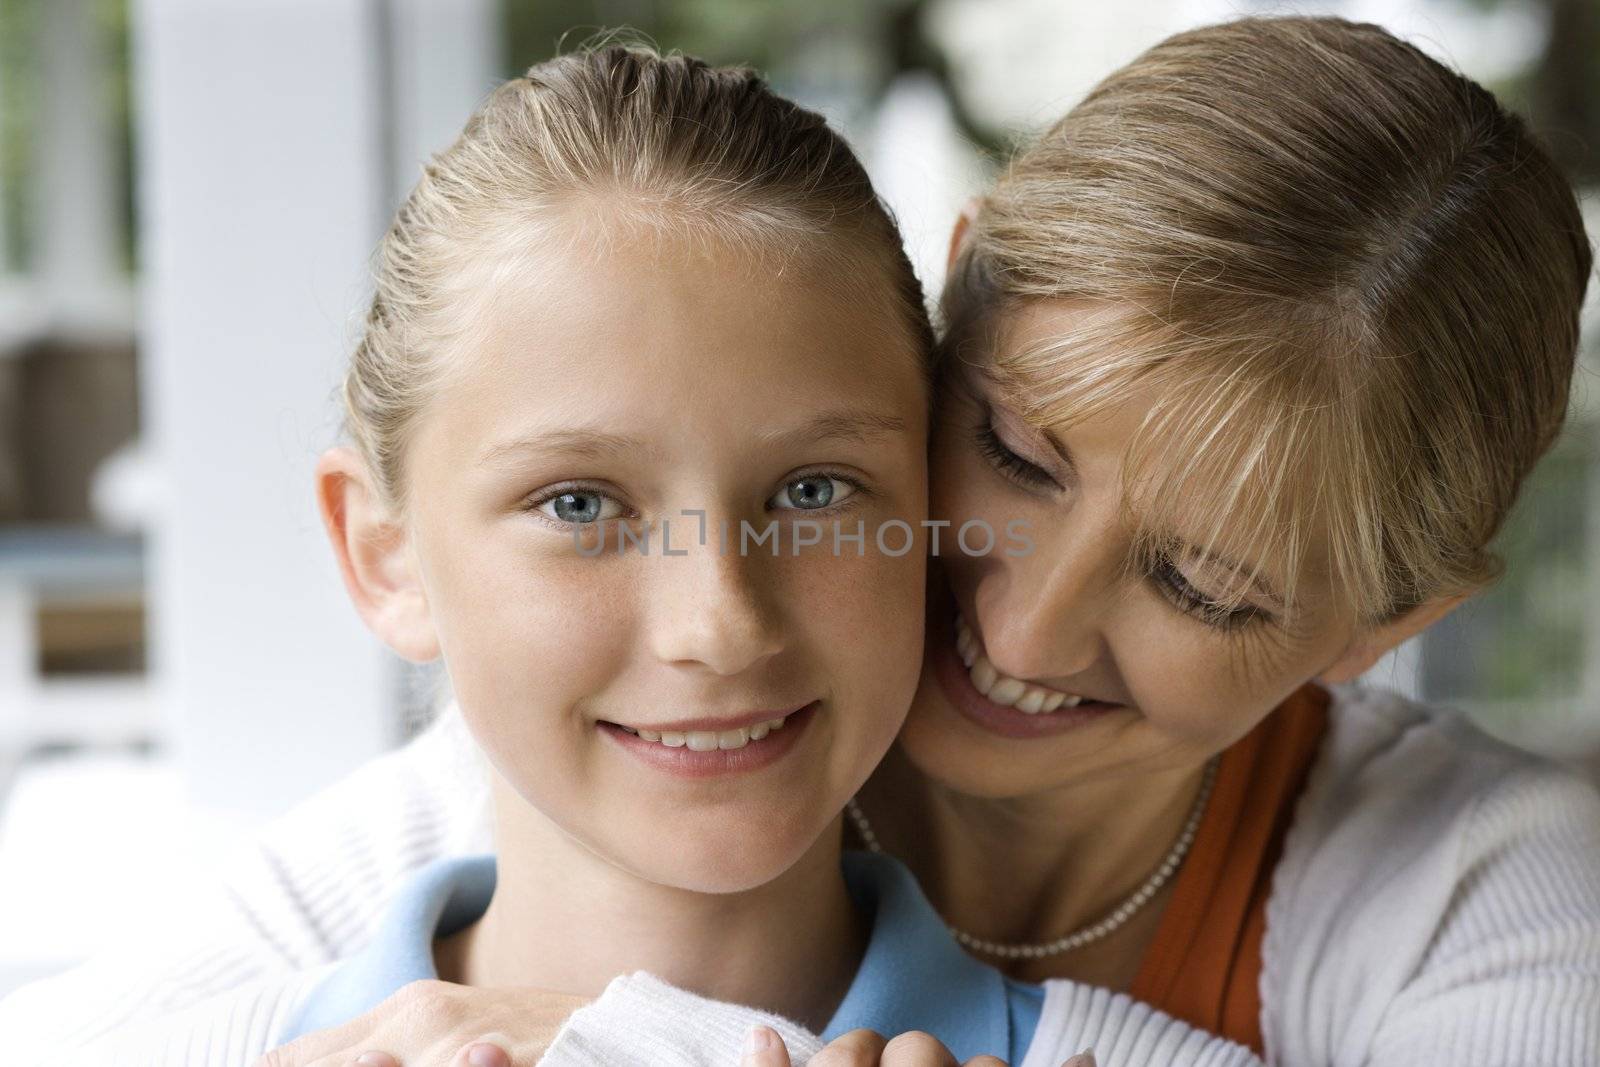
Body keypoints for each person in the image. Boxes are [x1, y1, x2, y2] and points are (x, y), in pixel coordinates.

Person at [7, 15, 1598, 1067]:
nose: (1023, 630)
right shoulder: (541, 786)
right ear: (943, 322)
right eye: (1014, 455)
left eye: (1206, 583)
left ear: (1377, 628)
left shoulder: (1483, 901)